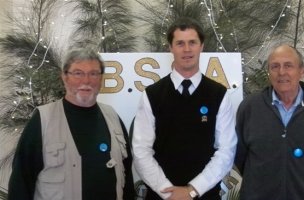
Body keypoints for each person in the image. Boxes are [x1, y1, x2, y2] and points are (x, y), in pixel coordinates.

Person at [132, 17, 237, 200]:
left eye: (192, 43)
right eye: (180, 43)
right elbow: (141, 150)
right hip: (162, 196)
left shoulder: (219, 94)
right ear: (170, 48)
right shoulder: (152, 95)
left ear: (201, 46)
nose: (187, 49)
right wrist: (168, 191)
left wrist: (192, 190)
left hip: (205, 195)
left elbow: (226, 150)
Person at [8, 48, 135, 200]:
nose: (86, 80)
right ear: (64, 77)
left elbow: (127, 177)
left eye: (93, 73)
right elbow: (21, 182)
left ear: (101, 78)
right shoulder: (43, 120)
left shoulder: (112, 116)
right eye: (78, 73)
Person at [234, 44, 304, 200]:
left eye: (288, 66)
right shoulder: (250, 108)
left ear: (302, 71)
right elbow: (240, 157)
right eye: (275, 66)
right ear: (268, 72)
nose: (281, 72)